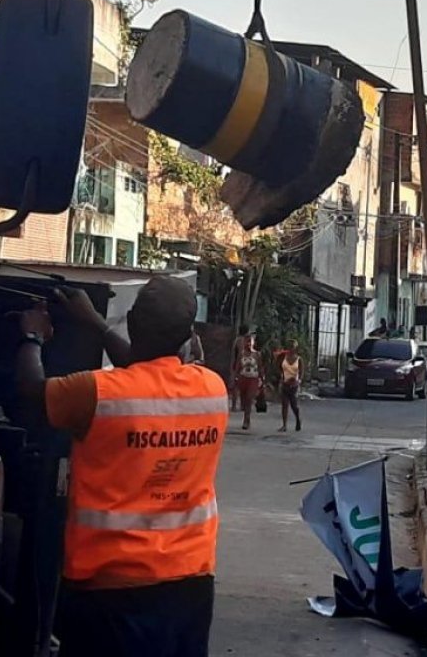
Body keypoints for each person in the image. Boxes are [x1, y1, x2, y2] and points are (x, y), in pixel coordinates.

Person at [15, 276, 227, 657]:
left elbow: (33, 390)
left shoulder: (95, 393)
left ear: (131, 321)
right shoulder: (212, 390)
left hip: (110, 586)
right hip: (190, 580)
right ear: (190, 335)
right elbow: (147, 372)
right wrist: (95, 323)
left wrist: (31, 338)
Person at [234, 332, 265, 430]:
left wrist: (262, 379)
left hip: (253, 379)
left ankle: (246, 420)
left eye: (250, 341)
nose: (248, 344)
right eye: (246, 341)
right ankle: (246, 416)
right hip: (243, 378)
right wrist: (235, 377)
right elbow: (237, 367)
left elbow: (260, 367)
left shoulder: (257, 354)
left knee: (249, 398)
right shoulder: (241, 354)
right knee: (243, 400)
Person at [277, 340, 303, 432]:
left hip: (294, 384)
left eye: (292, 347)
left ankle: (298, 419)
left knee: (294, 405)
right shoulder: (283, 357)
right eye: (289, 347)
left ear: (295, 348)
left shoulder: (298, 359)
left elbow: (301, 372)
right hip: (285, 383)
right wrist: (281, 376)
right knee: (284, 404)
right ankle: (284, 425)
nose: (291, 349)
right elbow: (279, 367)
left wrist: (298, 381)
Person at [229, 325, 250, 411]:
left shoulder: (237, 340)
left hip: (237, 364)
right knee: (237, 386)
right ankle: (238, 405)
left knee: (238, 385)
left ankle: (240, 405)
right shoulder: (241, 341)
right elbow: (240, 355)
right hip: (240, 365)